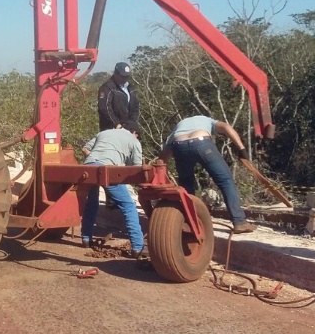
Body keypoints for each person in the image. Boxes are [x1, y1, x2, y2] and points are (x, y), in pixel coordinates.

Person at [159, 115, 257, 234]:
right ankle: (240, 222)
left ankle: (190, 223)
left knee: (186, 185)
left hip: (179, 146)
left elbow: (165, 153)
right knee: (225, 181)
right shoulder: (208, 121)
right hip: (202, 143)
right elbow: (226, 127)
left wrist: (161, 174)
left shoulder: (178, 127)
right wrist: (242, 149)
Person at [80, 123, 146, 258]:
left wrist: (97, 160)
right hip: (109, 169)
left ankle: (86, 238)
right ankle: (138, 247)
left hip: (89, 167)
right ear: (135, 133)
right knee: (128, 206)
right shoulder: (134, 140)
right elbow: (137, 168)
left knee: (91, 202)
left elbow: (85, 149)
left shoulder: (103, 133)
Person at [98, 62, 140, 132]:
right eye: (122, 76)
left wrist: (131, 123)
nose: (125, 79)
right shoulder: (107, 87)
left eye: (126, 76)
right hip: (112, 129)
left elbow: (136, 106)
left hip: (127, 128)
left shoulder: (130, 88)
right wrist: (116, 124)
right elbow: (104, 108)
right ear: (116, 74)